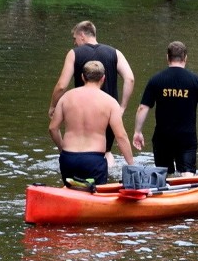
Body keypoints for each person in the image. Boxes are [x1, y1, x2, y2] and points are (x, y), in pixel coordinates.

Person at [49, 20, 135, 166]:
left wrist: (53, 106)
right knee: (106, 151)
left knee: (78, 146)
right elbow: (130, 78)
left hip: (79, 110)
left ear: (82, 35)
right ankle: (107, 180)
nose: (75, 43)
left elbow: (62, 86)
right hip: (108, 111)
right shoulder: (115, 53)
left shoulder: (74, 53)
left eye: (75, 39)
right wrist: (122, 107)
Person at [132, 41, 198, 177]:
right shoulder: (196, 81)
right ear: (185, 58)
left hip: (162, 137)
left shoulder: (156, 80)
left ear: (167, 57)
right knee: (187, 174)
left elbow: (143, 108)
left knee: (164, 175)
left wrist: (138, 132)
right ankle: (188, 197)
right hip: (187, 138)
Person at [49, 61, 134, 186]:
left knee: (71, 193)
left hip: (68, 159)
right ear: (103, 78)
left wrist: (62, 149)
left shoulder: (66, 97)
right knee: (96, 196)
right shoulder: (110, 102)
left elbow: (53, 128)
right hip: (93, 161)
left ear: (82, 77)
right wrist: (131, 165)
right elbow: (121, 136)